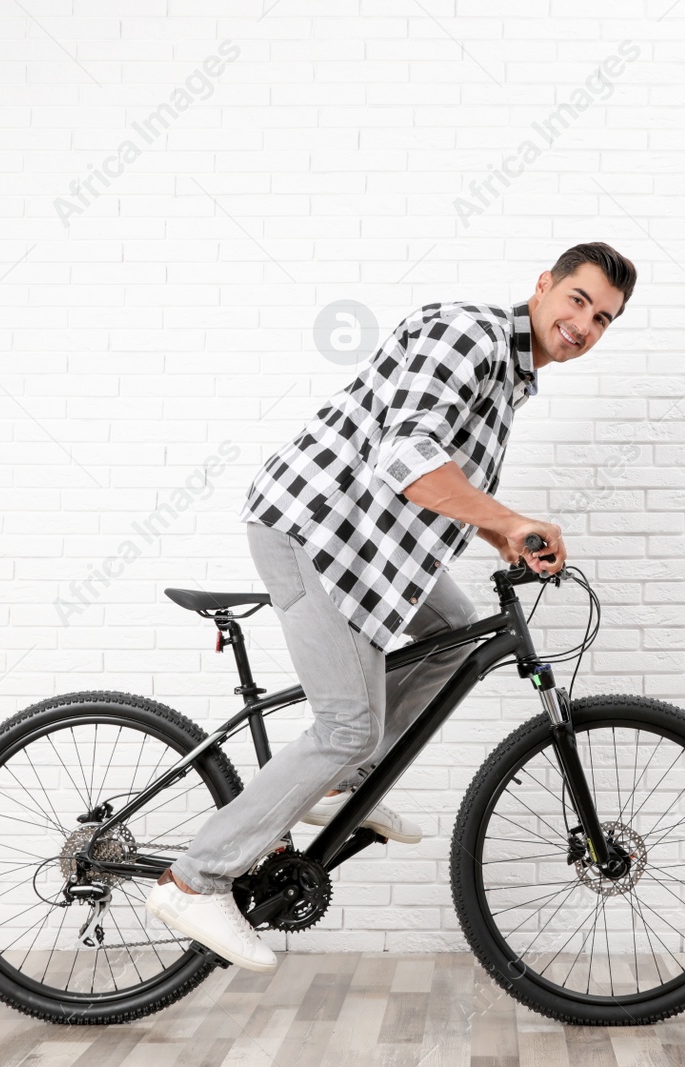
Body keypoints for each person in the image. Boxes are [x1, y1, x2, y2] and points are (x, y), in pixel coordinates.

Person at [146, 242, 638, 971]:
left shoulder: (511, 377)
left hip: (368, 542)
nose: (584, 325)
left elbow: (434, 467)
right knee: (347, 723)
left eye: (604, 319)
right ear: (544, 286)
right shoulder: (469, 335)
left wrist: (488, 526)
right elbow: (406, 454)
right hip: (314, 527)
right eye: (578, 301)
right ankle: (196, 877)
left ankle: (342, 782)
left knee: (456, 631)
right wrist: (504, 518)